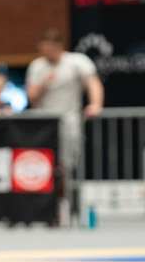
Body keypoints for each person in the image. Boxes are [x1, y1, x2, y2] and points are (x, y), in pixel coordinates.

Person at [25, 29, 104, 179]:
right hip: (43, 122)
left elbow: (93, 82)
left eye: (49, 49)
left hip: (68, 120)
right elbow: (31, 96)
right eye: (43, 49)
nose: (46, 53)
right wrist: (44, 85)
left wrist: (96, 104)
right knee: (42, 161)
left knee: (67, 164)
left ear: (58, 46)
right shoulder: (37, 65)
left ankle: (64, 197)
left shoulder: (76, 61)